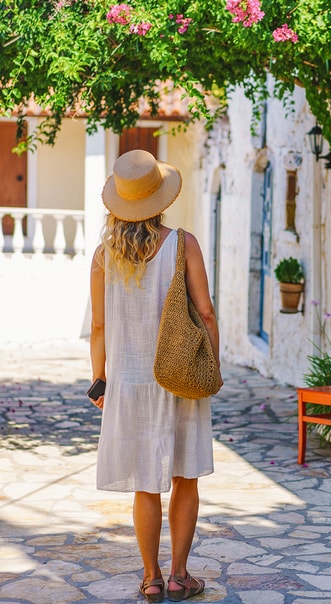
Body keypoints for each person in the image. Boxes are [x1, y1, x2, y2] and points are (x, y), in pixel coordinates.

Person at [89, 149, 220, 603]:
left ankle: (150, 577)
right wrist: (211, 370)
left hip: (128, 382)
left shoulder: (104, 256)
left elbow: (100, 326)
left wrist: (99, 380)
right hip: (180, 375)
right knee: (185, 477)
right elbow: (205, 312)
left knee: (145, 482)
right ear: (160, 199)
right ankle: (181, 574)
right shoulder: (184, 245)